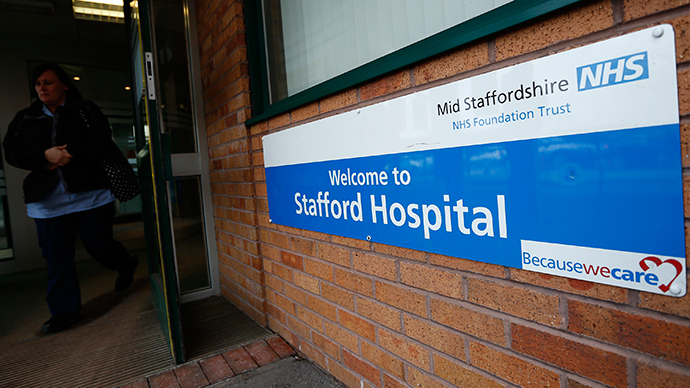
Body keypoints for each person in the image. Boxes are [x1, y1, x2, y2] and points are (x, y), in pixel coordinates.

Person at [3, 63, 138, 333]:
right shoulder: (24, 118)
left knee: (99, 246)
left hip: (91, 194)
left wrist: (67, 154)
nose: (42, 87)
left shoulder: (84, 110)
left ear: (64, 84)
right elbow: (11, 151)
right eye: (38, 83)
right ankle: (65, 312)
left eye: (48, 82)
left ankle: (125, 263)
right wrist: (44, 156)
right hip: (47, 200)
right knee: (57, 257)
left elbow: (102, 140)